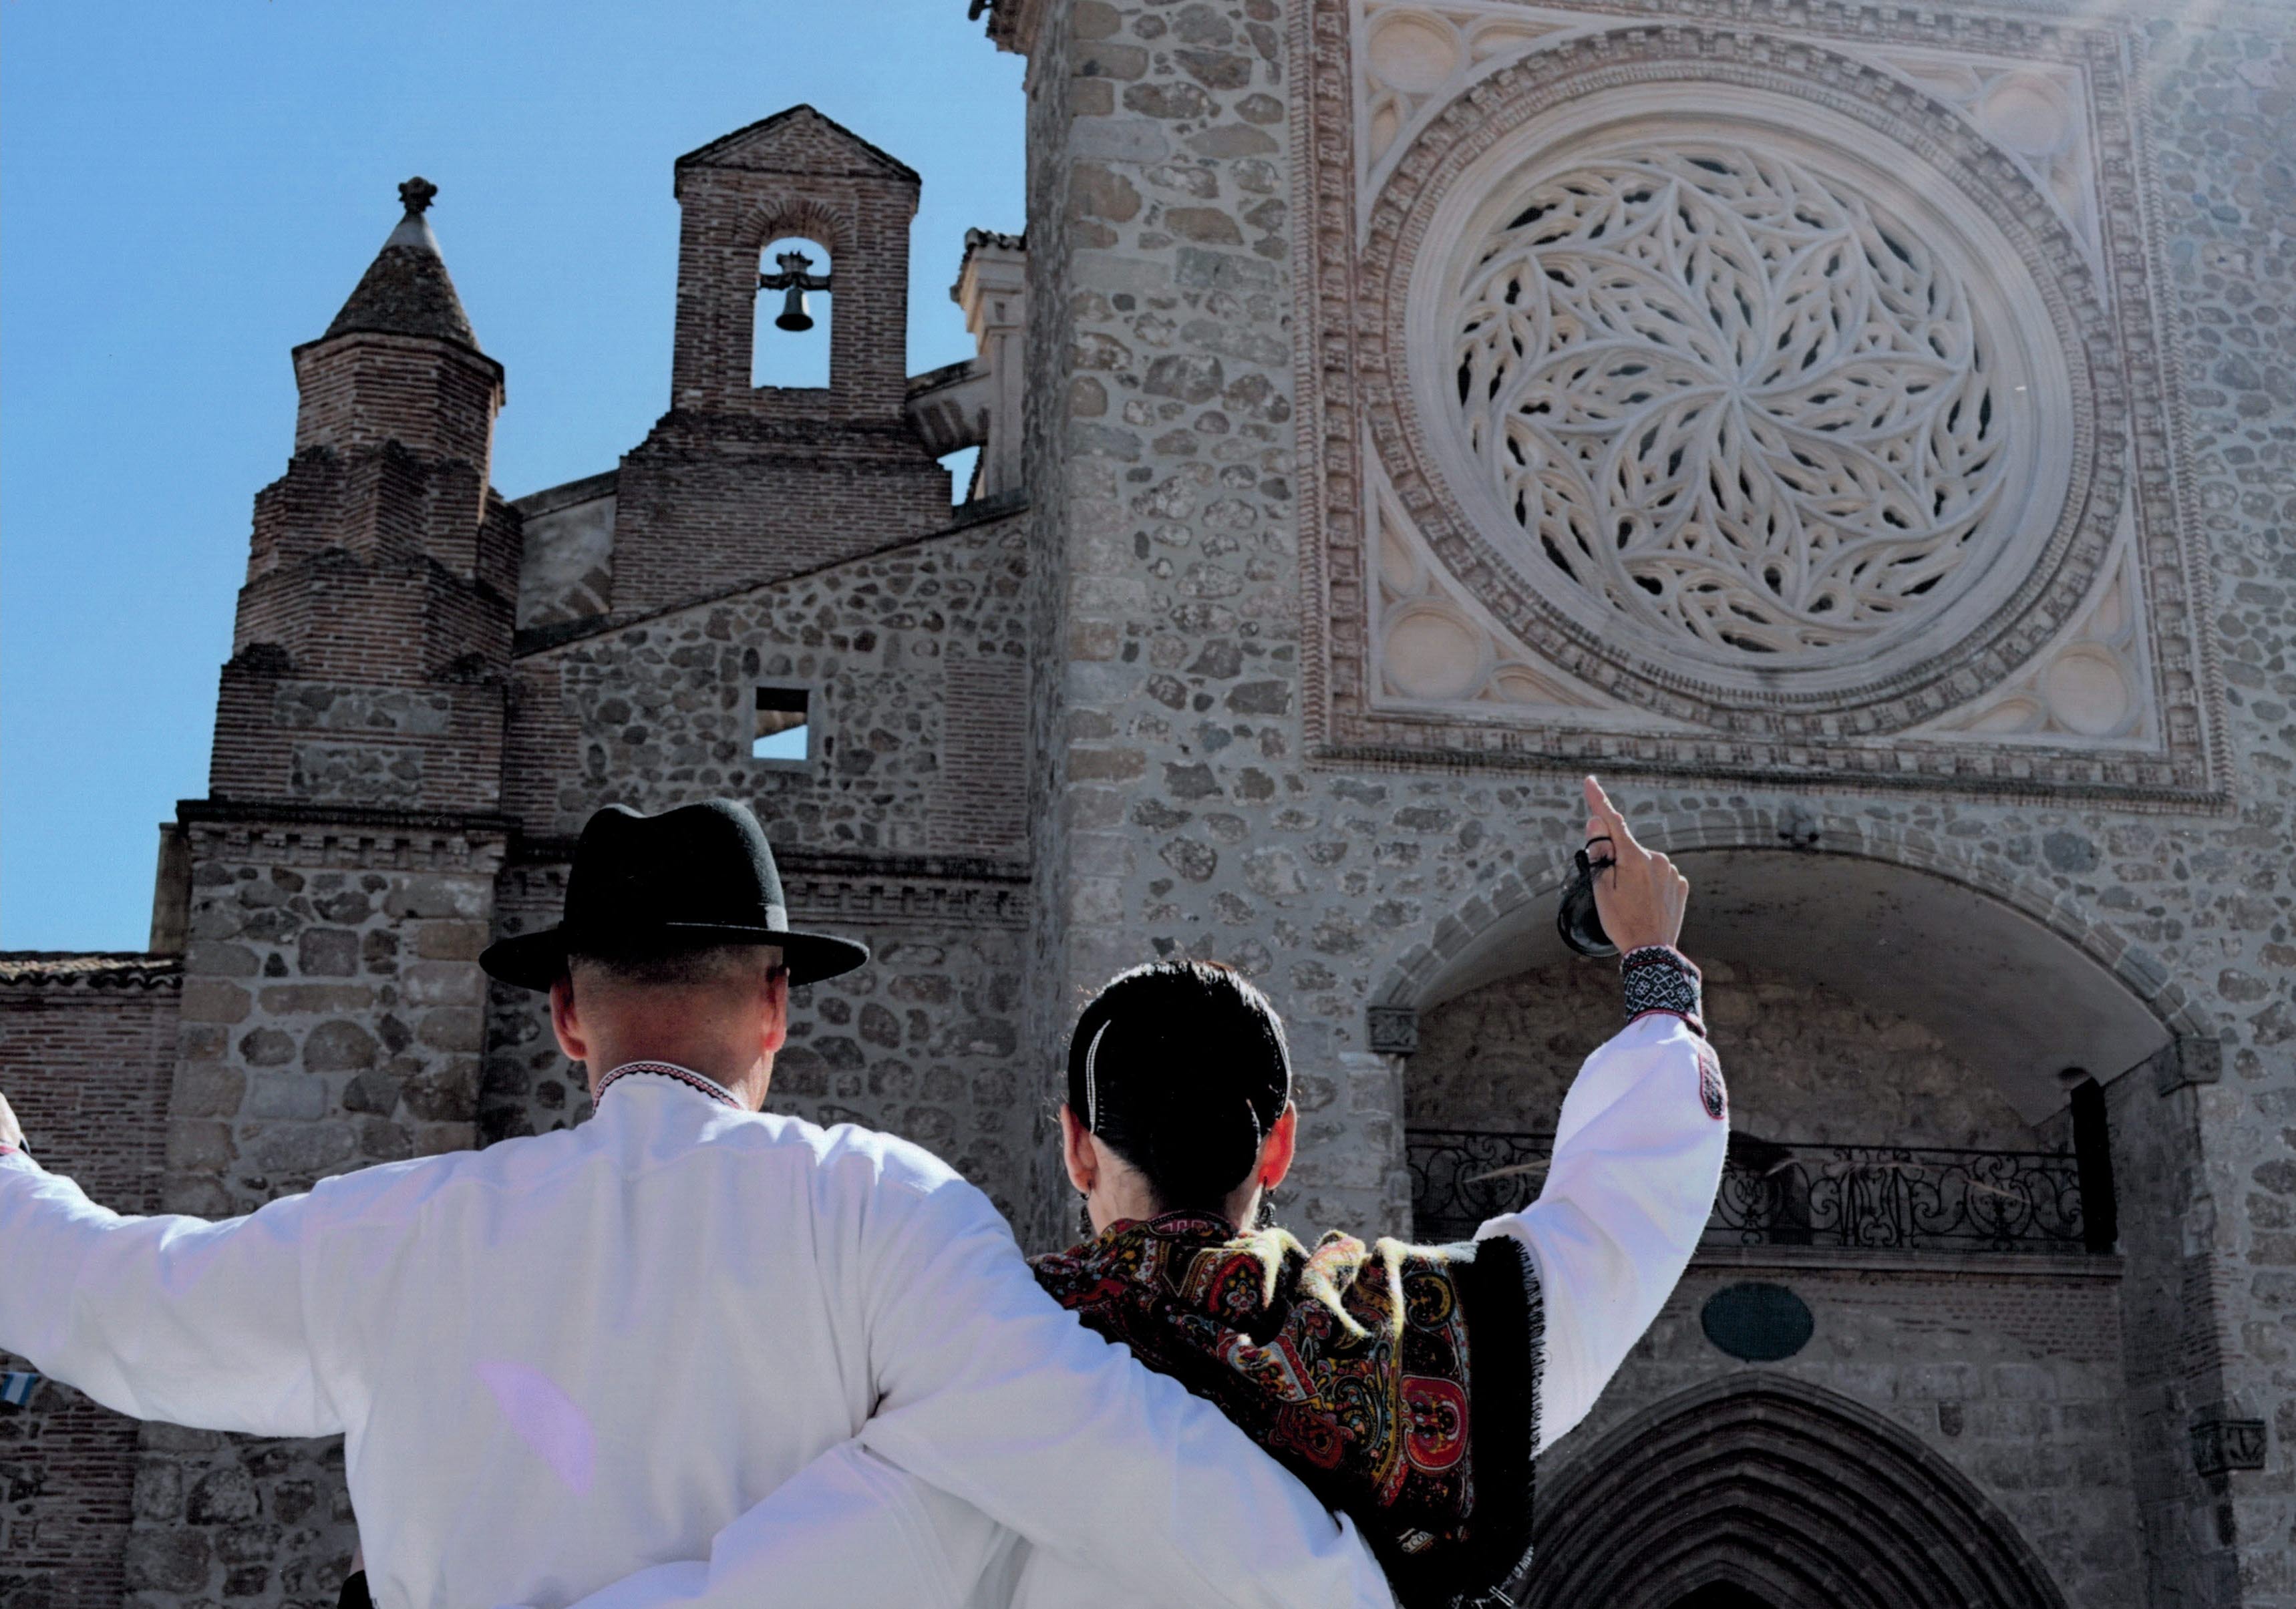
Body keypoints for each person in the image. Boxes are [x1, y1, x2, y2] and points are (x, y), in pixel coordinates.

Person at [0, 799, 1393, 1609]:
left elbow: (105, 1297)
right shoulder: (884, 1210)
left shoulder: (395, 1229)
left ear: (563, 1014)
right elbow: (1107, 1458)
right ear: (779, 1002)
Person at [539, 775, 1728, 1609]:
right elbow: (1623, 1211)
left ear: (1072, 1146)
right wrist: (1651, 966)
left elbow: (769, 1583)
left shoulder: (988, 1356)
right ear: (1278, 1147)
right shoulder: (1419, 1340)